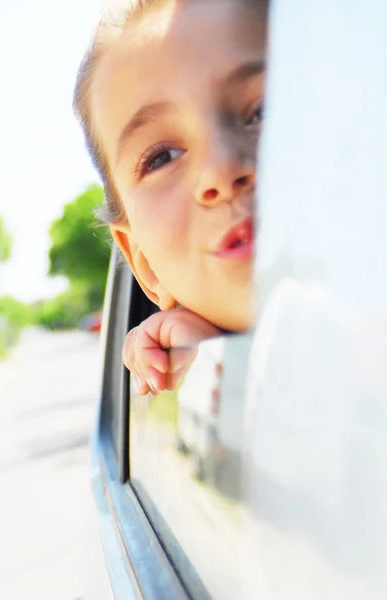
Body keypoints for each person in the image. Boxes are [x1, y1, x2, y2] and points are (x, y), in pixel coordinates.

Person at [74, 0, 268, 395]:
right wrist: (211, 343)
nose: (222, 169)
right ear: (144, 264)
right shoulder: (191, 369)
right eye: (161, 158)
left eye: (263, 110)